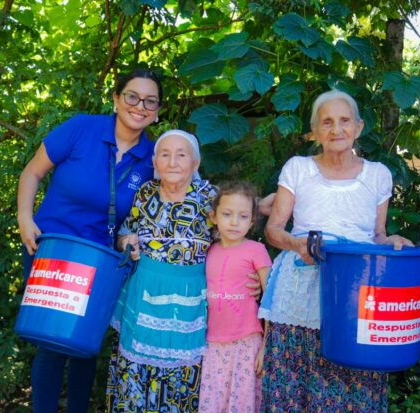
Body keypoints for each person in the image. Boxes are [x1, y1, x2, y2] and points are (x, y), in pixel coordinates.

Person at [258, 89, 414, 412]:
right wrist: (296, 242)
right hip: (301, 290)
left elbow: (377, 235)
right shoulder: (298, 169)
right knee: (295, 383)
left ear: (358, 127)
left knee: (355, 382)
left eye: (344, 121)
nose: (336, 129)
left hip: (356, 294)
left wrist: (394, 241)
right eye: (326, 122)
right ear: (314, 132)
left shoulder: (377, 175)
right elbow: (273, 230)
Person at [17, 69, 163, 412]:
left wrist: (127, 235)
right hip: (49, 251)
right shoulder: (82, 127)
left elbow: (159, 204)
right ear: (116, 99)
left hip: (99, 262)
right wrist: (25, 218)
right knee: (51, 342)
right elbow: (33, 172)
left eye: (150, 101)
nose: (140, 106)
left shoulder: (154, 156)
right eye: (132, 96)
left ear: (157, 110)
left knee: (86, 343)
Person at [106, 129, 217, 412]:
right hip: (144, 292)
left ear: (195, 163)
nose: (173, 162)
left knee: (183, 372)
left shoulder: (210, 198)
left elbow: (232, 240)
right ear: (155, 163)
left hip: (188, 298)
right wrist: (126, 240)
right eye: (165, 155)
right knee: (135, 368)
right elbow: (125, 231)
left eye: (182, 155)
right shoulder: (145, 193)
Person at [199, 181, 272, 413]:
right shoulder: (208, 250)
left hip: (246, 342)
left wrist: (265, 348)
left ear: (252, 221)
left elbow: (271, 301)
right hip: (212, 344)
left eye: (242, 216)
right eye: (227, 214)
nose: (234, 222)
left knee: (241, 404)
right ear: (214, 216)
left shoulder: (256, 251)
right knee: (212, 404)